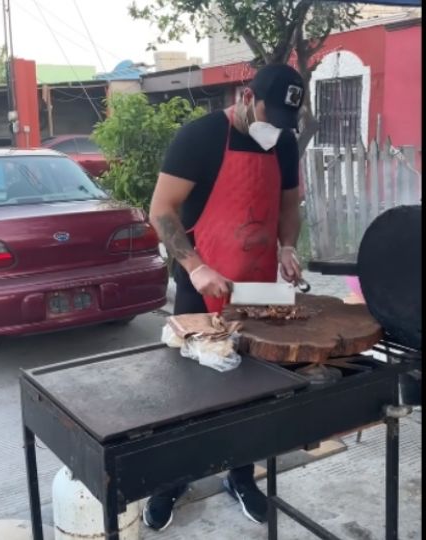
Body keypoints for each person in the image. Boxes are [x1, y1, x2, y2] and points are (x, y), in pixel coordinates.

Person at [144, 64, 305, 531]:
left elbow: (289, 205)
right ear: (245, 94)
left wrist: (288, 246)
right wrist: (194, 268)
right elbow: (162, 210)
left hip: (256, 292)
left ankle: (240, 475)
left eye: (283, 121)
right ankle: (171, 481)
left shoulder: (285, 142)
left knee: (251, 394)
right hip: (202, 288)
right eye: (268, 115)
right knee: (188, 395)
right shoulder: (200, 138)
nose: (274, 128)